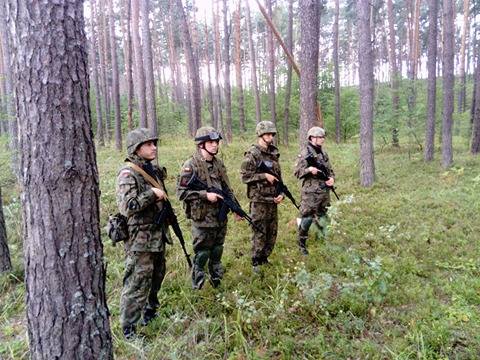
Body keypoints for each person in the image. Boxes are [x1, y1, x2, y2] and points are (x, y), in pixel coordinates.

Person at [116, 128, 170, 339]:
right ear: (136, 149)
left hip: (156, 236)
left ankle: (150, 314)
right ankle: (129, 328)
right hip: (139, 240)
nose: (153, 147)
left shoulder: (152, 170)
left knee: (157, 276)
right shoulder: (128, 173)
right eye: (148, 144)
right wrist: (152, 194)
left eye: (154, 143)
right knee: (137, 282)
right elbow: (127, 206)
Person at [176, 126, 236, 290]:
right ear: (201, 144)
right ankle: (198, 286)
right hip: (203, 218)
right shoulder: (191, 165)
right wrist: (204, 195)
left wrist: (235, 207)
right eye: (211, 142)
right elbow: (181, 192)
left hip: (220, 216)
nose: (215, 145)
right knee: (202, 253)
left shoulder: (218, 164)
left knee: (217, 250)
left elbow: (227, 188)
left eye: (216, 142)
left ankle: (217, 281)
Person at [240, 121, 284, 272]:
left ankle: (264, 258)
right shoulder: (252, 154)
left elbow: (278, 176)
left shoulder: (273, 153)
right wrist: (263, 175)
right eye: (267, 134)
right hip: (259, 200)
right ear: (260, 134)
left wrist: (281, 193)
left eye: (272, 134)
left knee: (272, 231)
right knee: (259, 231)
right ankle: (256, 261)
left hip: (272, 199)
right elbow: (245, 177)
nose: (270, 137)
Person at [294, 126, 335, 255]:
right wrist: (308, 170)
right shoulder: (305, 154)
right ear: (312, 138)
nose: (322, 139)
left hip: (324, 191)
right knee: (307, 217)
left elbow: (330, 170)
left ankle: (323, 238)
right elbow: (297, 172)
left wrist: (332, 179)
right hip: (310, 193)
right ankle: (301, 243)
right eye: (320, 137)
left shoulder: (323, 153)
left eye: (323, 137)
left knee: (324, 215)